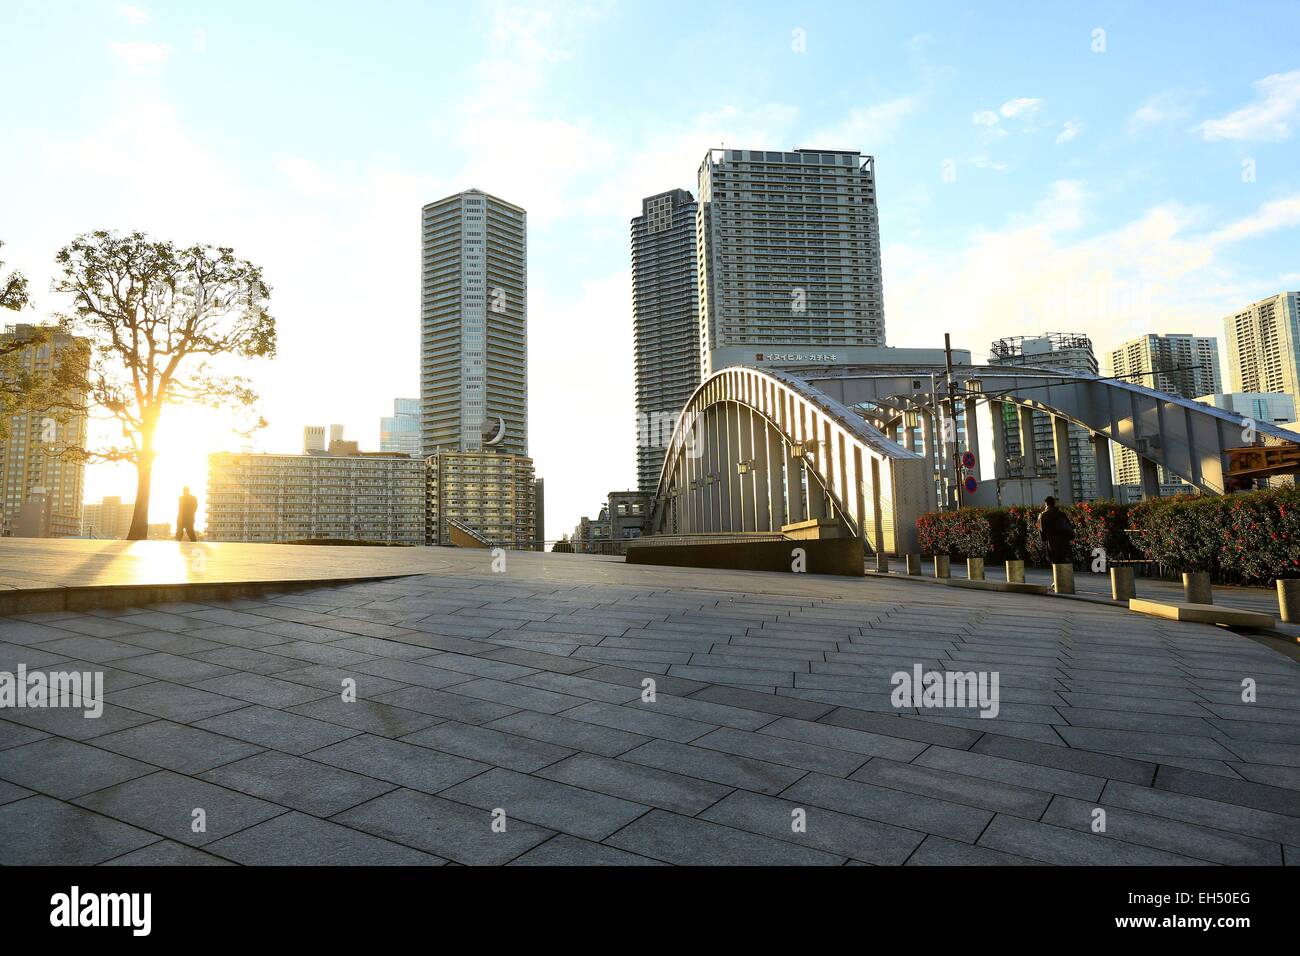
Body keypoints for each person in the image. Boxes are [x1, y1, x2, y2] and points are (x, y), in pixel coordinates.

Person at [1036, 495, 1073, 565]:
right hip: (1064, 543)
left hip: (1052, 543)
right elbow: (1069, 526)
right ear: (1054, 503)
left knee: (1056, 564)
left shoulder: (1043, 515)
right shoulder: (1061, 514)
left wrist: (1043, 540)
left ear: (1046, 504)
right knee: (1064, 562)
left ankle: (1058, 575)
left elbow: (1042, 531)